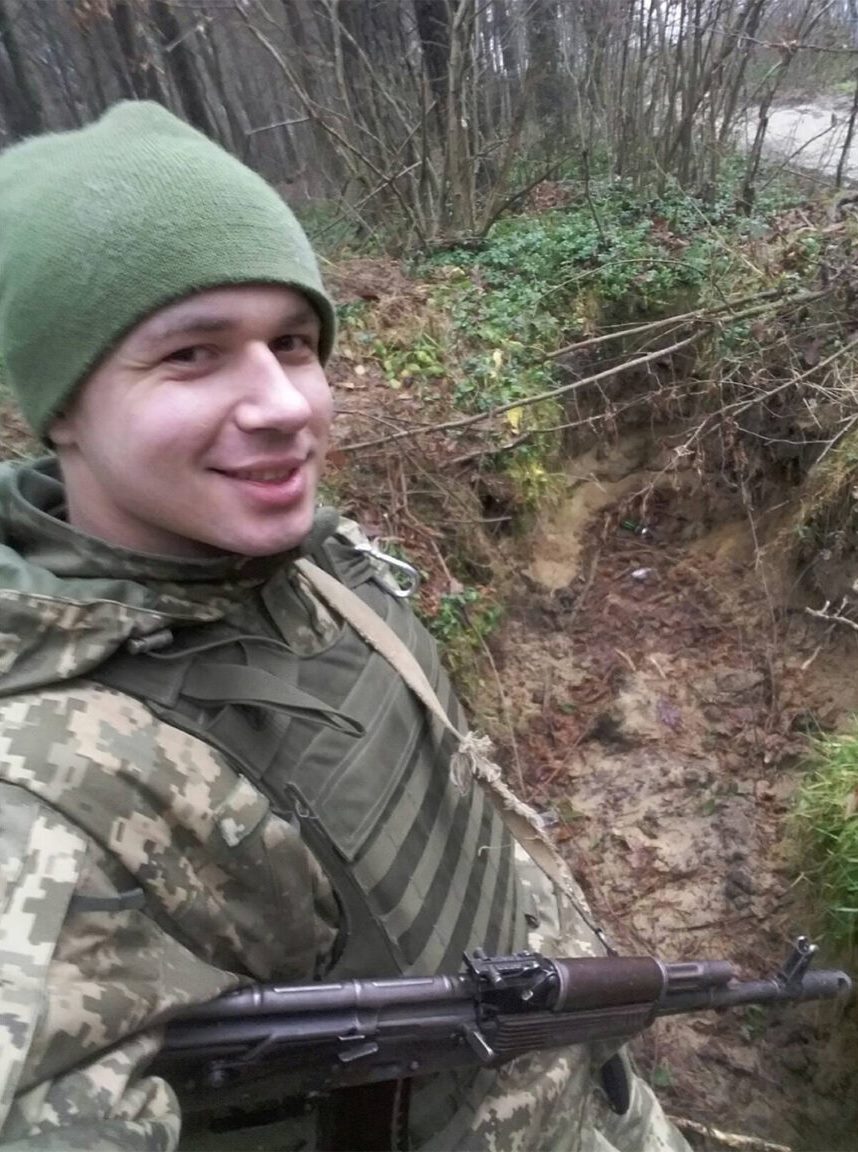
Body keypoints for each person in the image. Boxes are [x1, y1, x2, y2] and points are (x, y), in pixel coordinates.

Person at [0, 102, 689, 1152]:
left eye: (293, 343)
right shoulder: (49, 793)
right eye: (192, 354)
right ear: (63, 408)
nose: (283, 403)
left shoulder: (317, 565)